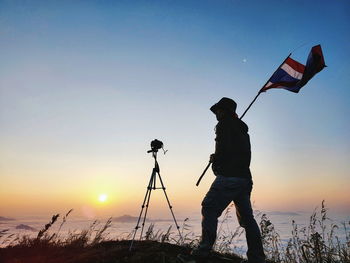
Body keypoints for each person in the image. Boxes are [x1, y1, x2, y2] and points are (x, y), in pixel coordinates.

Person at [179, 97, 265, 263]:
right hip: (244, 179)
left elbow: (224, 149)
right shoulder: (241, 129)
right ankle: (257, 258)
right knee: (248, 220)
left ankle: (203, 252)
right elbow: (238, 152)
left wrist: (216, 162)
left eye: (218, 110)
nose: (216, 113)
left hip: (228, 177)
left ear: (224, 111)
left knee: (209, 208)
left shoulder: (224, 124)